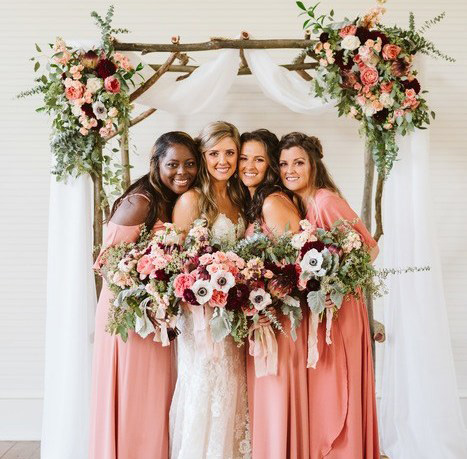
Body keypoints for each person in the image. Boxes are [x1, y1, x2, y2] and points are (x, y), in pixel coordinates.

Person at [89, 131, 199, 459]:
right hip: (129, 314)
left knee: (156, 395)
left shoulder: (172, 200)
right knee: (135, 392)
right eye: (173, 164)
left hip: (156, 312)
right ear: (156, 163)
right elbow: (108, 263)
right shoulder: (141, 202)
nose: (183, 171)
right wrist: (146, 292)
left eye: (190, 164)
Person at [278, 132, 380, 459]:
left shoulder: (325, 201)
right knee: (325, 386)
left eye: (298, 163)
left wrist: (333, 277)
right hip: (322, 310)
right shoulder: (300, 203)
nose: (290, 170)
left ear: (313, 164)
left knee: (341, 383)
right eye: (283, 164)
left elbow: (368, 248)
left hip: (342, 310)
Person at [169, 121, 251, 459]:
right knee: (204, 387)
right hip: (200, 317)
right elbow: (173, 261)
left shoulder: (239, 195)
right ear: (203, 156)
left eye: (229, 152)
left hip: (234, 314)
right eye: (214, 153)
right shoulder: (191, 200)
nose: (223, 160)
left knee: (232, 386)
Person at [239, 129, 310, 459]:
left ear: (269, 166)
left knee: (277, 398)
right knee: (265, 400)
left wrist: (265, 292)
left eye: (258, 159)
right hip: (264, 319)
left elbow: (297, 266)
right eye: (243, 158)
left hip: (280, 321)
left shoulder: (272, 202)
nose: (248, 165)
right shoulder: (256, 201)